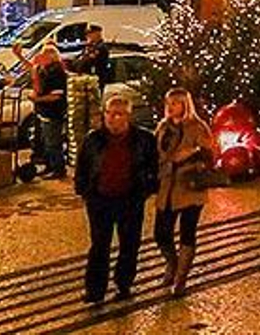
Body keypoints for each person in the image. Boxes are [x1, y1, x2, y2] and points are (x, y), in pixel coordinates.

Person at [74, 94, 158, 304]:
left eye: (119, 114)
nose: (113, 119)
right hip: (100, 200)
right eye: (109, 114)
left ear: (128, 116)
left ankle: (124, 283)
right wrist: (85, 191)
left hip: (130, 199)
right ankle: (95, 290)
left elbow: (152, 166)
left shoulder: (143, 140)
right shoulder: (93, 139)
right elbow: (83, 167)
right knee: (99, 246)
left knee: (129, 244)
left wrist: (145, 190)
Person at [151, 88, 215, 296]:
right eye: (168, 103)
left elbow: (210, 155)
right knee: (161, 233)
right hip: (167, 186)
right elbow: (155, 152)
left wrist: (192, 152)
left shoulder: (197, 127)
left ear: (185, 105)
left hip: (190, 187)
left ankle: (181, 277)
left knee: (188, 232)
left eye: (175, 103)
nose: (170, 108)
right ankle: (173, 262)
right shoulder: (163, 127)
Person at [14, 42, 69, 178]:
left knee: (53, 143)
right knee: (46, 143)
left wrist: (38, 99)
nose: (40, 57)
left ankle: (58, 169)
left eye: (43, 55)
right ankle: (49, 166)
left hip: (53, 112)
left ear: (51, 57)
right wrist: (20, 56)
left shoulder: (56, 73)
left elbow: (56, 96)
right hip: (43, 112)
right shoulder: (45, 69)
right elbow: (32, 68)